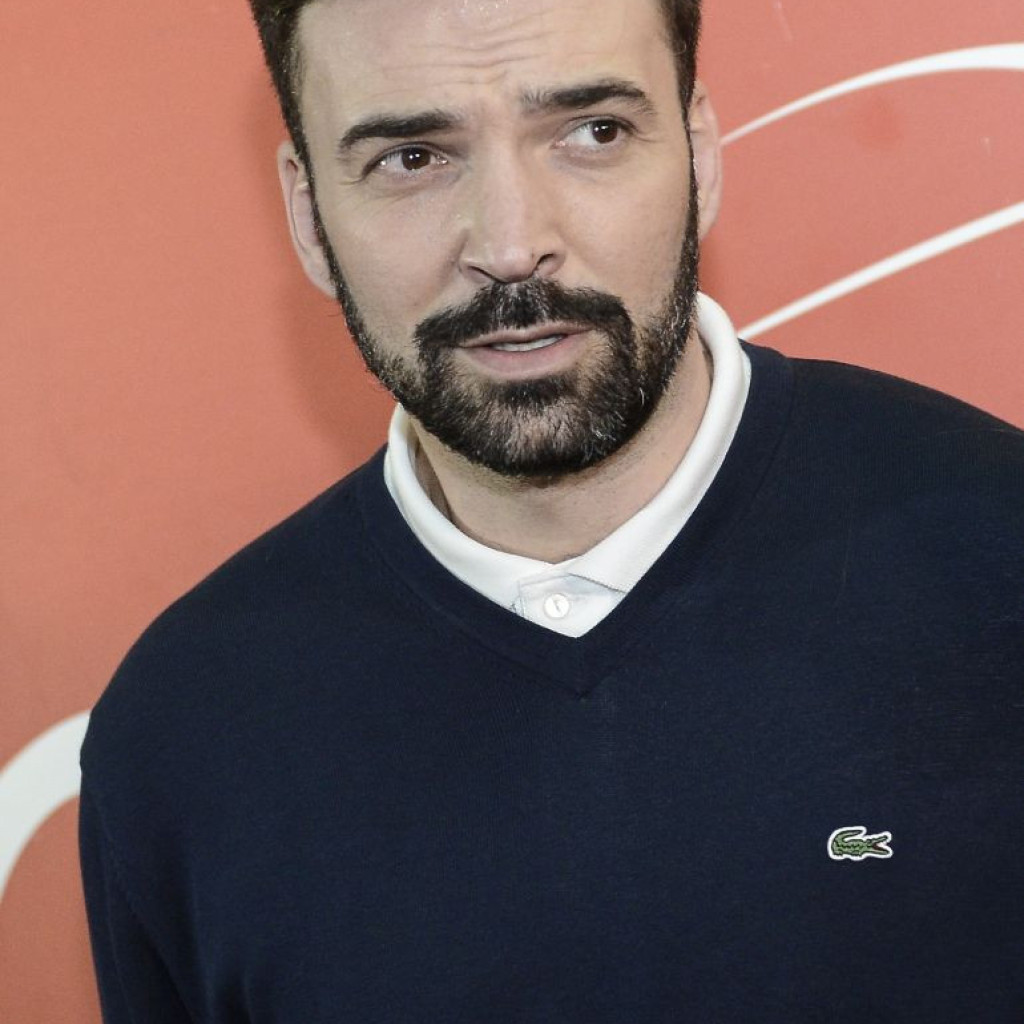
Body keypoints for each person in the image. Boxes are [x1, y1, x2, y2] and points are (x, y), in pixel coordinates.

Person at [79, 0, 1024, 1019]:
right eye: (411, 158)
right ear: (310, 219)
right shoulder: (186, 733)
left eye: (592, 132)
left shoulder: (996, 555)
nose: (512, 243)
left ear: (700, 156)